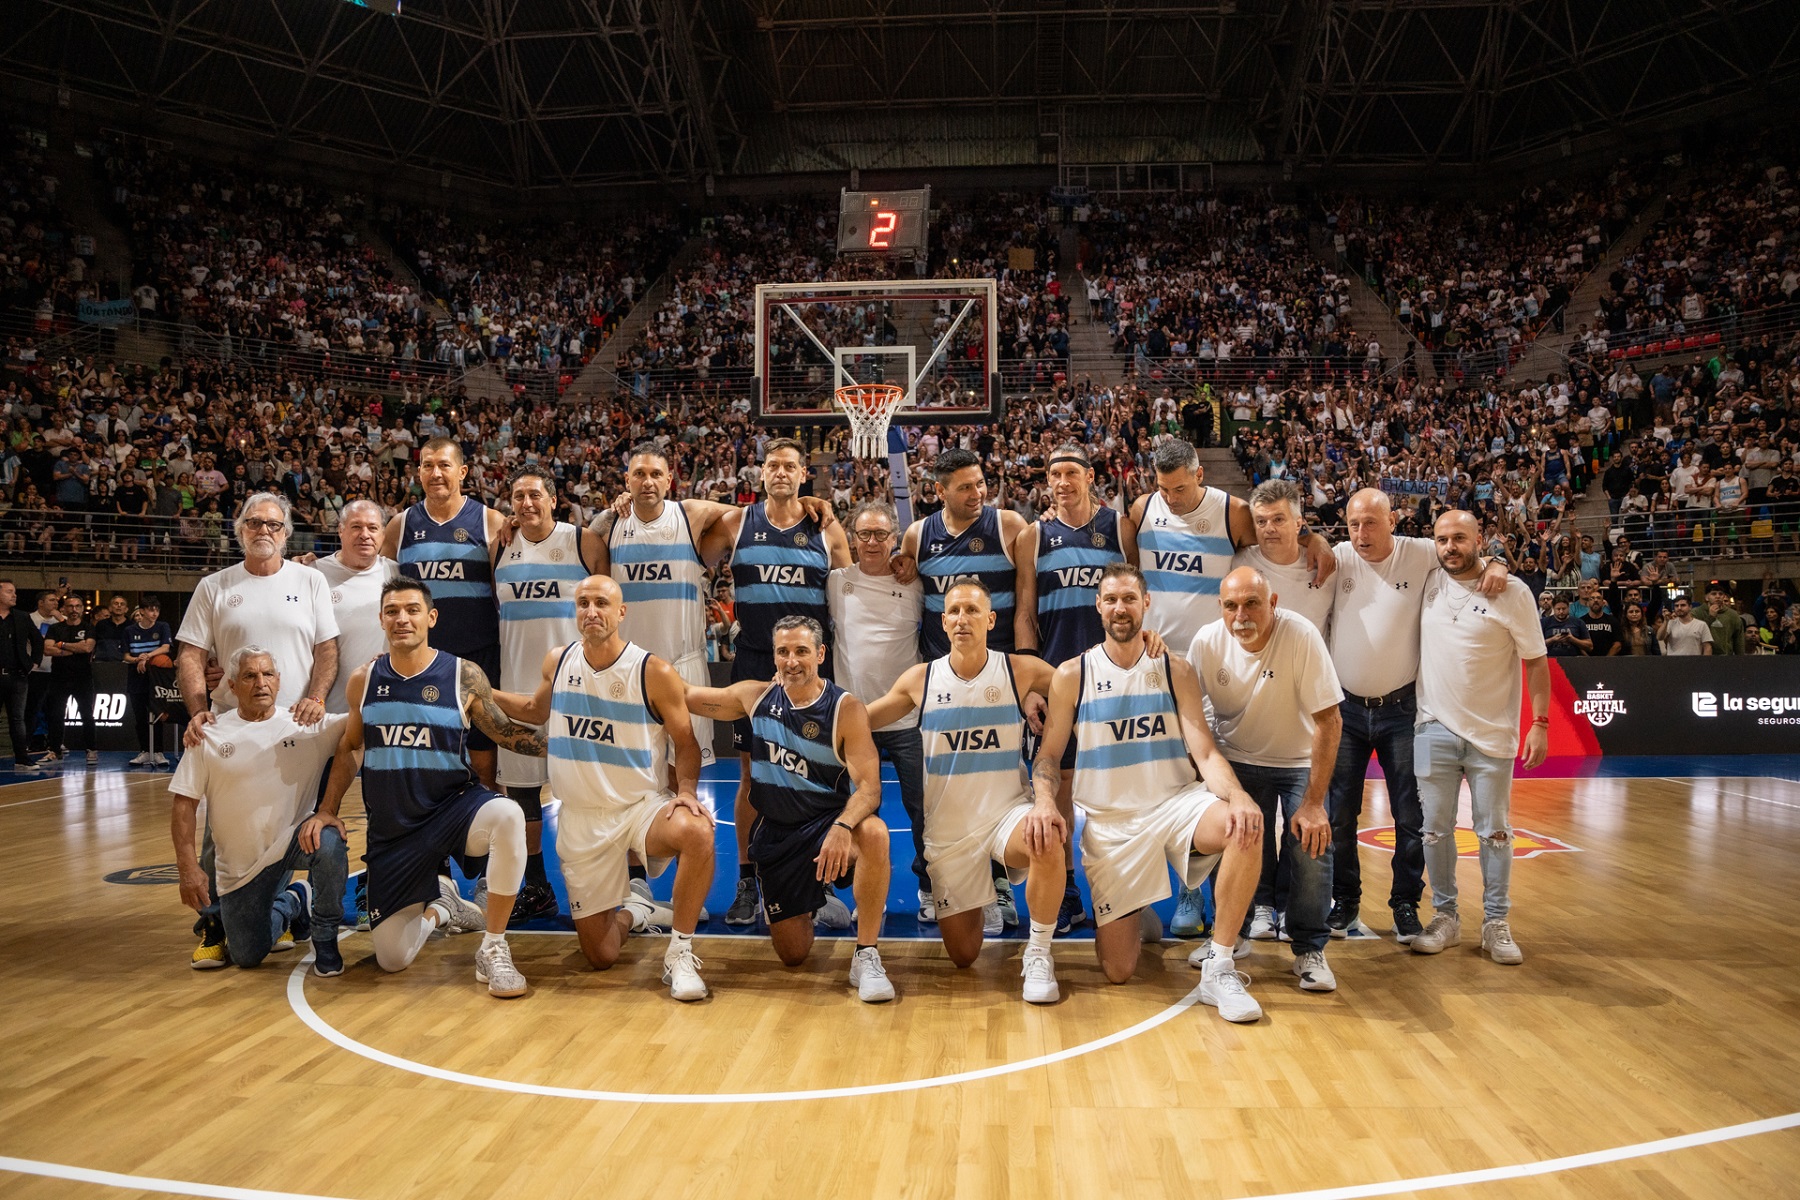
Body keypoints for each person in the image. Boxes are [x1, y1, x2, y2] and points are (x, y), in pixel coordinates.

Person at [1029, 562, 1266, 1023]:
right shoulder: (1071, 674)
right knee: (1118, 971)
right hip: (1112, 824)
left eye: (1130, 599)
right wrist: (1042, 800)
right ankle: (1136, 907)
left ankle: (1219, 967)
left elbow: (1205, 751)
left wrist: (1238, 796)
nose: (1121, 608)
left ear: (1146, 604)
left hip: (1176, 805)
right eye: (1112, 599)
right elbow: (1049, 756)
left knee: (1243, 826)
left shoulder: (1174, 667)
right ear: (1098, 605)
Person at [1128, 440, 1333, 928]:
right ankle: (1186, 891)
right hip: (1156, 665)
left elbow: (1275, 533)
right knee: (1169, 789)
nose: (1171, 497)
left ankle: (1204, 897)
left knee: (1207, 784)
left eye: (1180, 487)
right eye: (1163, 488)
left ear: (1200, 475)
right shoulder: (1141, 509)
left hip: (1215, 662)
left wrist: (1315, 540)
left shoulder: (1231, 511)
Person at [303, 578, 540, 998]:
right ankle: (442, 908)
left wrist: (571, 751)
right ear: (381, 619)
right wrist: (327, 808)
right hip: (395, 830)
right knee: (392, 959)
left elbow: (506, 734)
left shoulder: (462, 674)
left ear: (431, 617)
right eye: (392, 611)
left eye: (412, 610)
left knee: (508, 815)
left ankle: (494, 946)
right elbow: (351, 747)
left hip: (454, 807)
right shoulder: (364, 679)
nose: (402, 619)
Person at [492, 576, 714, 1000]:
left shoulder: (653, 670)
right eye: (582, 603)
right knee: (602, 955)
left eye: (601, 603)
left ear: (621, 612)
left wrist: (686, 789)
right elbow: (533, 711)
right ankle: (638, 909)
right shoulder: (557, 662)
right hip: (580, 818)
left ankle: (680, 954)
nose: (591, 611)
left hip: (639, 808)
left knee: (698, 832)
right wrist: (480, 690)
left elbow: (686, 744)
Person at [862, 581, 1067, 1003]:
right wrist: (803, 702)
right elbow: (858, 721)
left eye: (973, 611)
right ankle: (988, 895)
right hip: (950, 832)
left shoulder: (1019, 670)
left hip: (1006, 816)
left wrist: (1141, 644)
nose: (962, 619)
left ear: (991, 620)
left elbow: (1080, 678)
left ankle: (1039, 953)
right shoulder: (921, 679)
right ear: (942, 621)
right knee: (963, 955)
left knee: (1046, 838)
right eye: (954, 611)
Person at [683, 615, 897, 1003]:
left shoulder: (845, 709)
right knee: (793, 955)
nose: (791, 661)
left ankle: (866, 954)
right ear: (774, 656)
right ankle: (815, 900)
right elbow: (685, 696)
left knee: (874, 833)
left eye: (801, 651)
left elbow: (870, 789)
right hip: (778, 835)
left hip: (829, 826)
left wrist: (843, 826)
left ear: (820, 653)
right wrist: (634, 674)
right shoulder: (755, 697)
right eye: (783, 652)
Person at [1325, 488, 1506, 944]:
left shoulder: (1422, 552)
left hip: (1405, 712)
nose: (1361, 534)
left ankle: (1405, 903)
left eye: (1371, 523)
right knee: (1339, 816)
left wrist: (1499, 561)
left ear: (1394, 520)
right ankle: (1344, 900)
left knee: (1412, 816)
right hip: (1342, 710)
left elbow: (1465, 552)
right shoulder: (1337, 556)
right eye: (1353, 524)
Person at [715, 439, 851, 926]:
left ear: (802, 475)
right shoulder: (736, 522)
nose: (780, 472)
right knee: (753, 777)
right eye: (772, 464)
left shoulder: (826, 528)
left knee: (821, 774)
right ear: (760, 472)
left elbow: (852, 589)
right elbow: (676, 517)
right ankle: (748, 882)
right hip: (755, 661)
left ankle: (823, 880)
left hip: (812, 666)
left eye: (789, 466)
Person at [1189, 568, 1345, 991]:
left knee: (1312, 845)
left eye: (1252, 603)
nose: (1241, 615)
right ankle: (1231, 935)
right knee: (1234, 835)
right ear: (1220, 608)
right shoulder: (1206, 642)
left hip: (1298, 760)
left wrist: (1313, 803)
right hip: (1237, 758)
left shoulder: (1302, 636)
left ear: (1273, 603)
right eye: (1231, 606)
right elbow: (1187, 710)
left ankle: (1310, 947)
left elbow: (1330, 721)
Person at [1411, 511, 1550, 966]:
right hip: (1433, 726)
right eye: (1442, 539)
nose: (1450, 547)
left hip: (1493, 734)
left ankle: (1495, 923)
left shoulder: (1512, 591)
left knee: (1494, 833)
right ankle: (1445, 917)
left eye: (1459, 539)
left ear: (1479, 540)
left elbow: (1535, 660)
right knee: (1434, 831)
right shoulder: (1428, 578)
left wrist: (1541, 722)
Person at [1011, 442, 1136, 935]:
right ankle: (1065, 891)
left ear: (1090, 477)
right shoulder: (1032, 535)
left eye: (1071, 473)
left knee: (1121, 789)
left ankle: (1122, 885)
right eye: (1054, 473)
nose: (1062, 482)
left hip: (1116, 680)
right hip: (1057, 680)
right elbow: (1024, 612)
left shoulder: (1120, 530)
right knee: (1057, 790)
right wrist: (1031, 684)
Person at [168, 648, 348, 972]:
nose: (260, 683)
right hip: (241, 869)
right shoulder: (208, 732)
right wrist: (187, 867)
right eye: (250, 676)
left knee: (330, 843)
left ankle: (325, 940)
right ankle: (294, 901)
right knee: (247, 955)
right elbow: (184, 803)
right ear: (232, 686)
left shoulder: (303, 724)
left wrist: (327, 808)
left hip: (293, 842)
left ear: (279, 682)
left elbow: (360, 730)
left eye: (267, 675)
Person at [492, 466, 607, 922]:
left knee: (587, 796)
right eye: (518, 496)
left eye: (535, 495)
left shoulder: (582, 542)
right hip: (516, 688)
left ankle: (598, 887)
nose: (526, 503)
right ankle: (537, 887)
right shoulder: (498, 547)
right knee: (520, 797)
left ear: (554, 499)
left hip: (577, 691)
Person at [380, 437, 508, 788]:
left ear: (462, 471)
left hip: (478, 656)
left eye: (444, 465)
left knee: (483, 763)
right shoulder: (400, 526)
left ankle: (480, 838)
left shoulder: (491, 521)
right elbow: (365, 574)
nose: (436, 473)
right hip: (420, 662)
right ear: (418, 472)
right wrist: (316, 563)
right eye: (428, 466)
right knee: (426, 761)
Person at [827, 500, 930, 921]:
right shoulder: (834, 582)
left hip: (906, 720)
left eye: (880, 535)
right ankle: (851, 895)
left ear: (895, 538)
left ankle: (930, 887)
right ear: (853, 538)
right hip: (852, 724)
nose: (872, 542)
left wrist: (913, 565)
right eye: (864, 534)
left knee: (924, 810)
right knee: (852, 813)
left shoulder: (918, 585)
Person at [901, 447, 1028, 661]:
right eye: (965, 487)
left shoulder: (1009, 525)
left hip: (1002, 663)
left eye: (980, 483)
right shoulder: (917, 535)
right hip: (940, 666)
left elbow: (1028, 604)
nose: (977, 494)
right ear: (941, 491)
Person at [308, 500, 399, 713]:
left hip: (383, 708)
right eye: (356, 526)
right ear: (341, 530)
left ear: (383, 535)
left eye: (372, 528)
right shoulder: (313, 572)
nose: (365, 534)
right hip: (326, 709)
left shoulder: (397, 573)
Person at [1232, 480, 1336, 635]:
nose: (1269, 528)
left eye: (1278, 519)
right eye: (1261, 521)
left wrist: (1315, 539)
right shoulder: (1237, 565)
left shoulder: (1326, 566)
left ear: (1298, 524)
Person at [43, 594, 98, 766]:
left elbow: (87, 647)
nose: (74, 610)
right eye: (70, 606)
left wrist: (61, 645)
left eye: (77, 606)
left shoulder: (88, 627)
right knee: (56, 714)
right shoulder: (55, 628)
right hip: (59, 677)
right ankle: (54, 751)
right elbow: (46, 649)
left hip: (82, 677)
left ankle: (91, 749)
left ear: (82, 608)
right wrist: (74, 647)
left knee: (87, 715)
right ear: (64, 609)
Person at [0, 580, 46, 774]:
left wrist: (33, 663)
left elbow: (38, 641)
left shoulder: (21, 617)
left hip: (17, 675)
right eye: (9, 591)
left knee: (18, 719)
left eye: (15, 592)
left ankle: (22, 759)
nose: (14, 595)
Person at [122, 596, 173, 767]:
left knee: (157, 715)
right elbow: (126, 656)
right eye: (151, 610)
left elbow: (165, 648)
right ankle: (145, 751)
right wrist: (138, 659)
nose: (155, 613)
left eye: (157, 610)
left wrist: (147, 657)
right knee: (140, 717)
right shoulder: (129, 631)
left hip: (156, 678)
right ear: (141, 611)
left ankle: (158, 751)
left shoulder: (162, 627)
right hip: (136, 677)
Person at [1704, 583, 1747, 656]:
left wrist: (1741, 659)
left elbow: (1739, 640)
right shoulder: (1698, 612)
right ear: (1706, 597)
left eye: (1720, 594)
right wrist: (1710, 617)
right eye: (1714, 594)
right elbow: (1697, 634)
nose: (1717, 596)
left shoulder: (1733, 615)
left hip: (1726, 656)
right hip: (1704, 656)